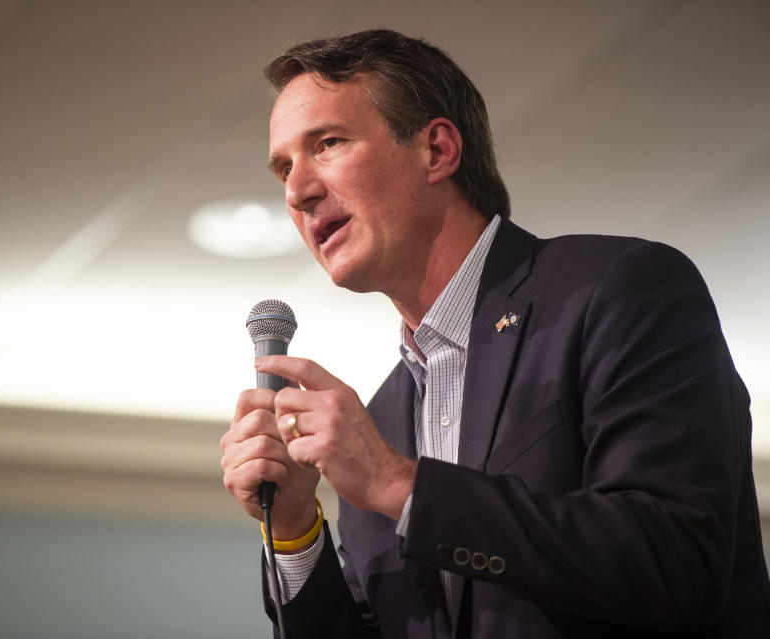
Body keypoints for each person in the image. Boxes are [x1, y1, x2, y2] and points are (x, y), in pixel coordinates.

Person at [219, 29, 770, 638]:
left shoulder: (618, 290)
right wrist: (296, 527)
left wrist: (401, 486)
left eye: (327, 144)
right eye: (284, 169)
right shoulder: (378, 421)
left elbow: (678, 562)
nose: (298, 190)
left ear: (436, 150)